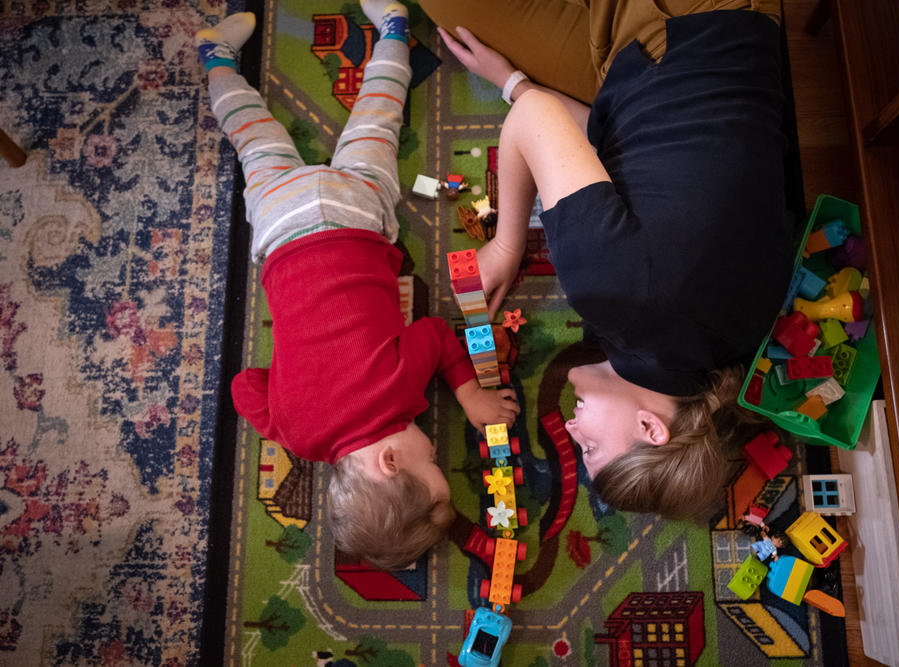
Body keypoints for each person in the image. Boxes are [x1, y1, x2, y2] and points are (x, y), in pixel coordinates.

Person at [421, 0, 795, 520]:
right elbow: (536, 119)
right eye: (590, 448)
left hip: (672, 58)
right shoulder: (613, 291)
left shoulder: (733, 342)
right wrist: (506, 246)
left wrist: (512, 81)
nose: (570, 432)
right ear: (650, 428)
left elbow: (616, 152)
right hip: (673, 24)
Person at [199, 4, 520, 570]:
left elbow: (439, 334)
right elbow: (244, 386)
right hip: (280, 227)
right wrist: (284, 413)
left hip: (356, 215)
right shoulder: (298, 438)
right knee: (251, 137)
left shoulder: (402, 392)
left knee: (378, 118)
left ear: (391, 462)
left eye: (432, 462)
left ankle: (394, 27)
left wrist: (470, 396)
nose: (433, 447)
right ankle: (216, 58)